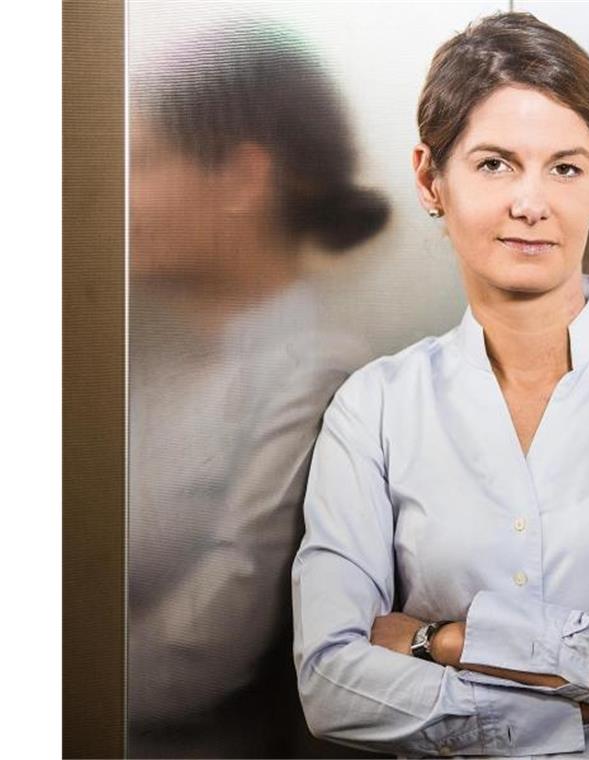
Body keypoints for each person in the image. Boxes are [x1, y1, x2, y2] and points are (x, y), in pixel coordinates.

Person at [291, 12, 589, 758]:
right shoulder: (375, 407)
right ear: (429, 178)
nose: (531, 203)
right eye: (494, 164)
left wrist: (441, 640)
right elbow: (329, 683)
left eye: (566, 167)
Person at [127, 18, 388, 757]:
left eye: (143, 161)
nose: (120, 197)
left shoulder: (319, 376)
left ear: (243, 177)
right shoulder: (153, 365)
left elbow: (206, 649)